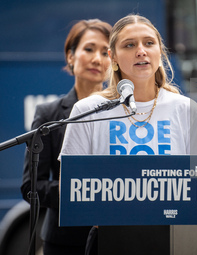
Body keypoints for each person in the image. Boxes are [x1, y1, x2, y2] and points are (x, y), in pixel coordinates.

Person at [58, 14, 197, 254]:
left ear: (159, 52)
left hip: (175, 239)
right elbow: (70, 188)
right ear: (113, 58)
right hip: (110, 240)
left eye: (149, 43)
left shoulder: (185, 109)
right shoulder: (86, 110)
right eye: (129, 45)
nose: (141, 51)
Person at [21, 19, 112, 255]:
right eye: (89, 49)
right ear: (71, 56)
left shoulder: (122, 111)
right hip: (64, 240)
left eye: (106, 52)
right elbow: (30, 186)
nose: (97, 59)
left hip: (116, 236)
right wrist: (73, 191)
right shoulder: (49, 113)